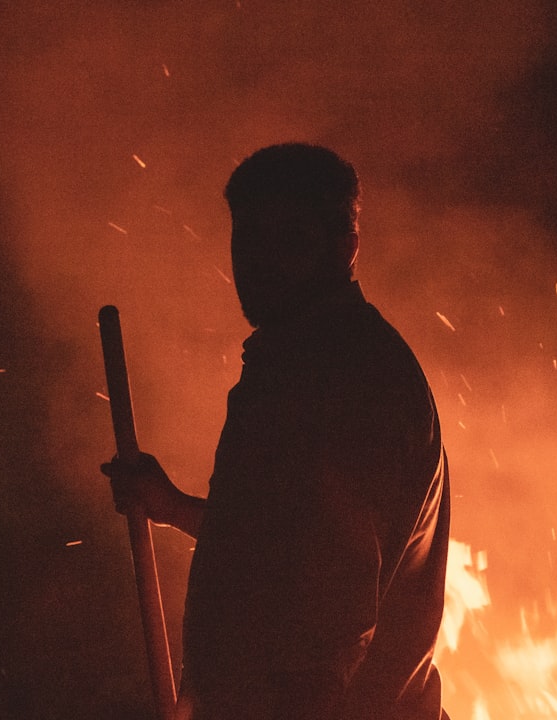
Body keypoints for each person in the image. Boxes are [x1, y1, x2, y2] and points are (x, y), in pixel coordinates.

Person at [102, 143, 451, 720]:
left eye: (287, 238)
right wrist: (174, 506)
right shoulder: (299, 363)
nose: (258, 259)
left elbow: (330, 618)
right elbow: (287, 541)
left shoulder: (345, 376)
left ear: (346, 248)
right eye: (247, 237)